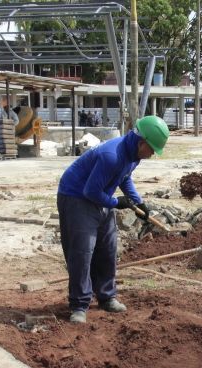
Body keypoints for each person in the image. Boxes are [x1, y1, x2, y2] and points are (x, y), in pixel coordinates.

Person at [57, 116, 169, 323]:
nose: (152, 155)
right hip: (76, 197)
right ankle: (79, 305)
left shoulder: (133, 155)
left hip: (99, 195)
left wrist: (138, 202)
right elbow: (90, 191)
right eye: (152, 149)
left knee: (107, 248)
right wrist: (116, 203)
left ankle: (106, 297)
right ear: (141, 142)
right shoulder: (112, 155)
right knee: (82, 252)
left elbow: (124, 177)